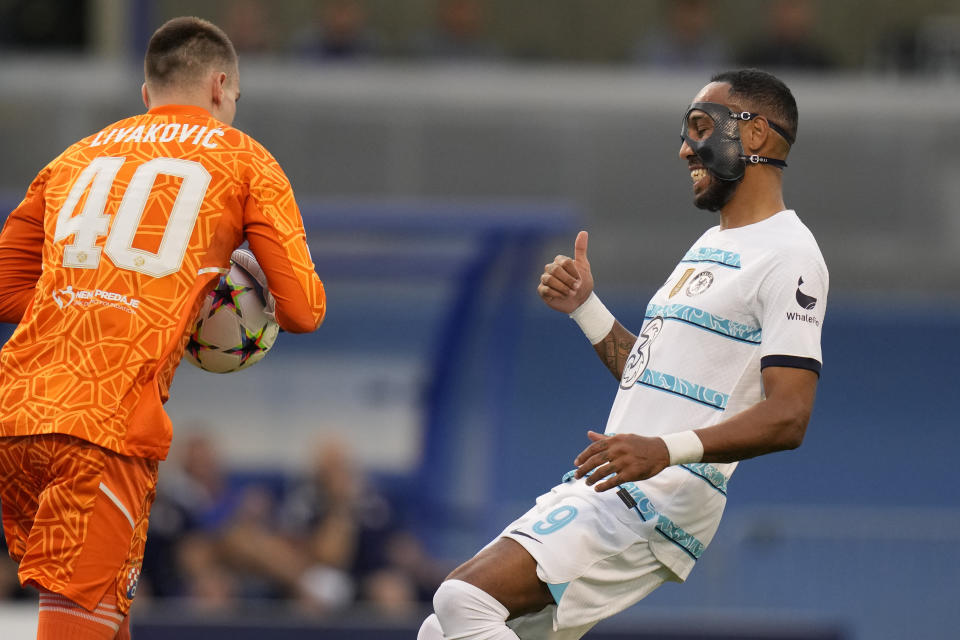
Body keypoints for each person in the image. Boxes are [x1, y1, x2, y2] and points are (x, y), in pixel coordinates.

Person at [418, 68, 828, 639]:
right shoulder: (714, 244)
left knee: (463, 598)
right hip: (620, 482)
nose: (686, 147)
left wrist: (663, 449)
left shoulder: (791, 256)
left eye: (701, 127)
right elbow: (652, 377)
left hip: (659, 497)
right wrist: (587, 309)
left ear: (755, 135)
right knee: (441, 631)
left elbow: (790, 416)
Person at [0, 16, 326, 640]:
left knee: (107, 616)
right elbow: (304, 310)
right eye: (234, 99)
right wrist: (200, 291)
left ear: (147, 93)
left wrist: (103, 298)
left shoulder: (76, 154)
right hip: (104, 424)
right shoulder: (244, 158)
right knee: (77, 622)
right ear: (221, 86)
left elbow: (8, 289)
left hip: (17, 410)